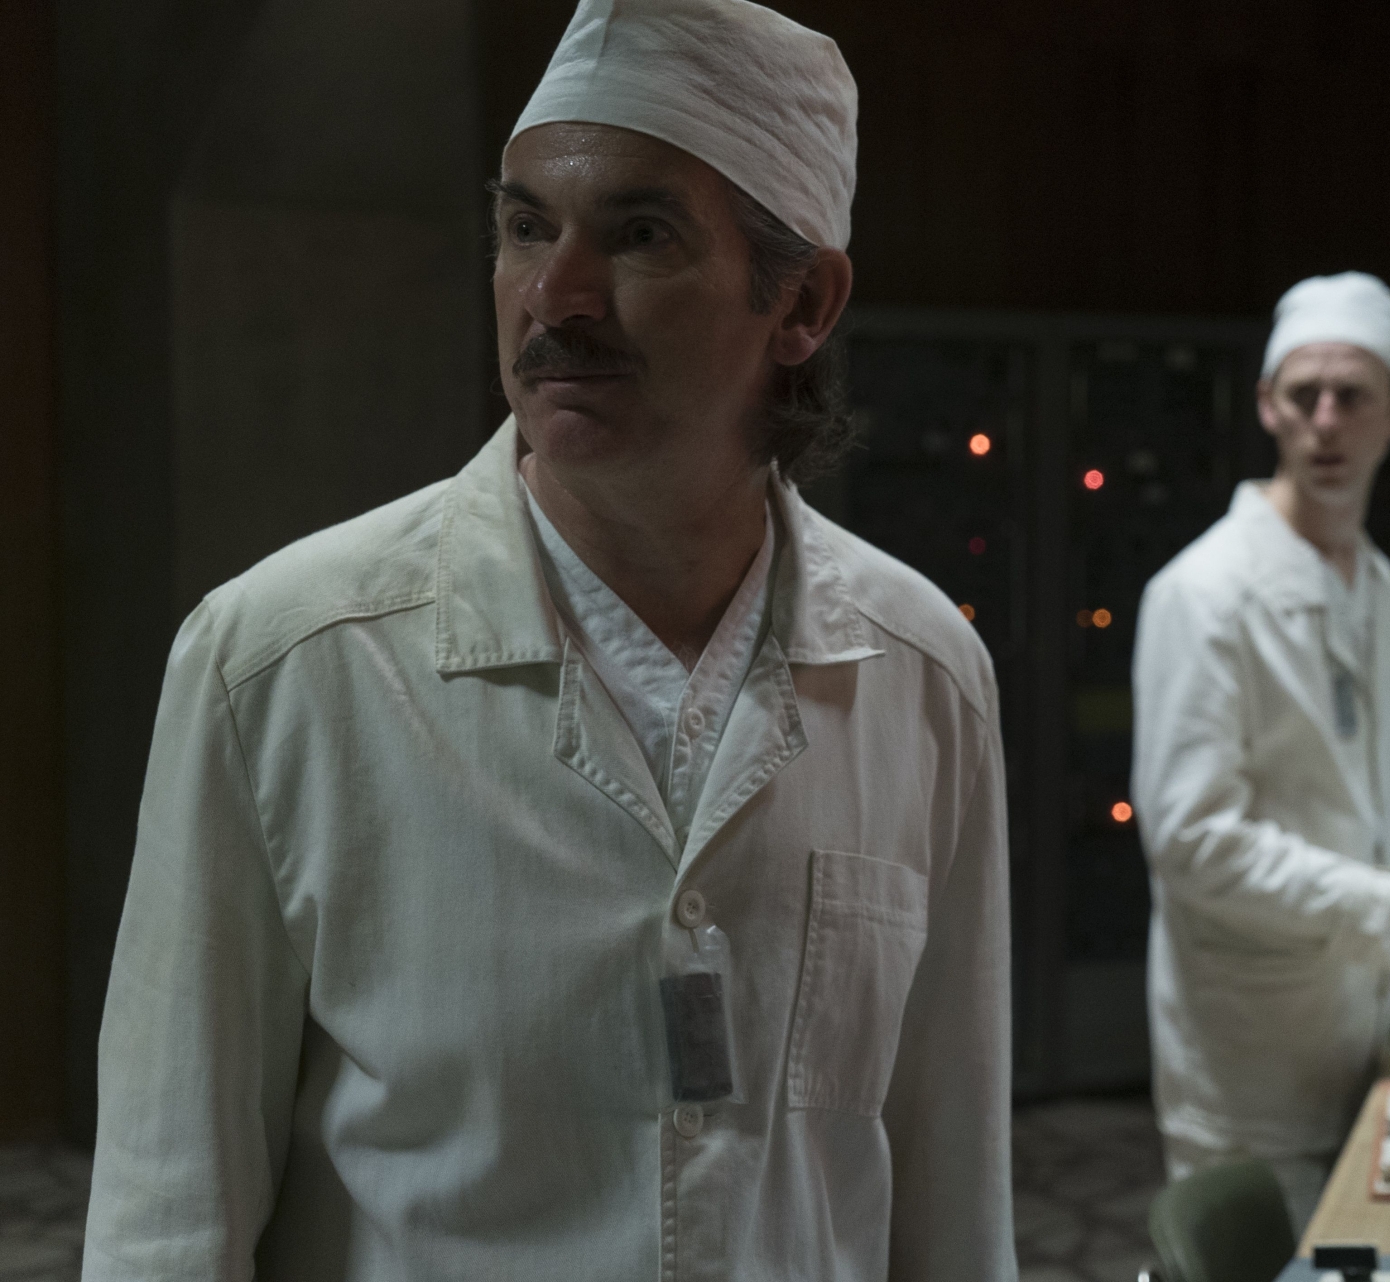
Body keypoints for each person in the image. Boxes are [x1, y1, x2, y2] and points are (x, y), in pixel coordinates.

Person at [82, 1, 1015, 1277]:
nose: (555, 296)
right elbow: (166, 1214)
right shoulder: (287, 661)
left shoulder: (919, 670)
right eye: (526, 228)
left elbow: (952, 1191)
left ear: (802, 301)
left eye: (639, 235)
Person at [1130, 273, 1390, 1233]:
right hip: (1253, 1060)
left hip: (1372, 1028)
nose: (1327, 422)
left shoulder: (1375, 585)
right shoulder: (1203, 595)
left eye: (1354, 396)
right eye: (1305, 396)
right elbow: (1193, 841)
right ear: (1268, 406)